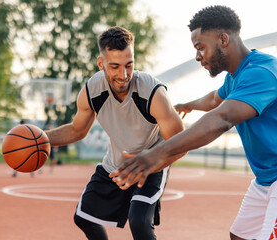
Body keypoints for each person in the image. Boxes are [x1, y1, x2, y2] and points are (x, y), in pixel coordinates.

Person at [110, 5, 277, 240]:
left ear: (223, 39)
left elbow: (222, 118)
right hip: (266, 181)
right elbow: (213, 100)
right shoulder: (236, 77)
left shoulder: (262, 72)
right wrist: (186, 105)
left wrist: (157, 153)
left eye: (200, 47)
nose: (198, 56)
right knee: (239, 236)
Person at [44, 26, 184, 240]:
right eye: (115, 66)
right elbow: (77, 130)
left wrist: (150, 163)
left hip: (153, 161)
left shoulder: (152, 92)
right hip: (116, 164)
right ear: (101, 64)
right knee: (84, 218)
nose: (123, 74)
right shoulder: (92, 90)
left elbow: (179, 141)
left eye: (129, 65)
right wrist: (41, 139)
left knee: (138, 220)